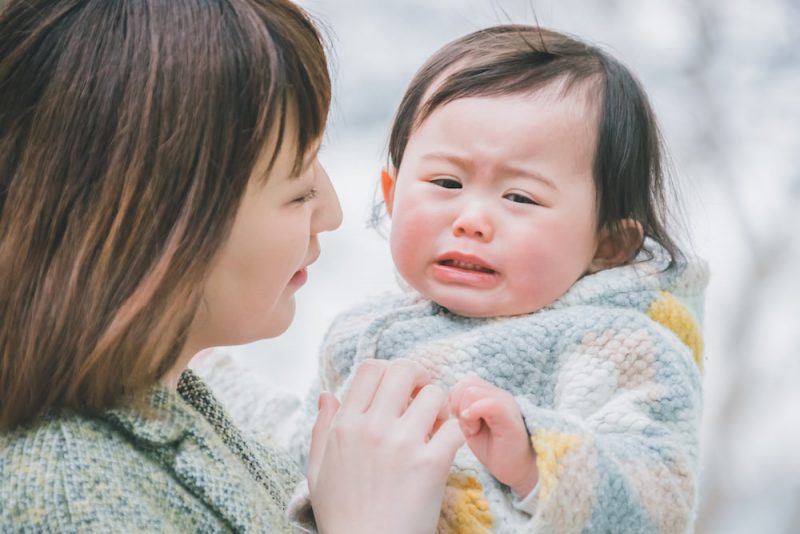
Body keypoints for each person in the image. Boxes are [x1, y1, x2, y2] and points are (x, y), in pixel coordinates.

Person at [0, 1, 465, 532]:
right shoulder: (66, 499)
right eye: (297, 189)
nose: (332, 213)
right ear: (154, 227)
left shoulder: (165, 407)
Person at [289, 25, 708, 533]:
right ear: (393, 194)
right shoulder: (357, 335)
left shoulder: (621, 348)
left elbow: (660, 499)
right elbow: (288, 451)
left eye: (520, 198)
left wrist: (536, 459)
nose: (472, 219)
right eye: (446, 182)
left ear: (607, 245)